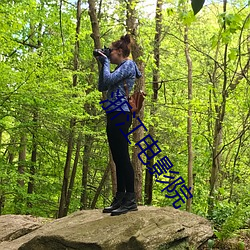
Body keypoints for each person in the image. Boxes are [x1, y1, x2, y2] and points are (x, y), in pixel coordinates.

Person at [96, 34, 142, 216]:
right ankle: (121, 196)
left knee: (122, 156)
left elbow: (107, 81)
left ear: (120, 52)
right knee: (117, 157)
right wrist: (103, 64)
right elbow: (102, 85)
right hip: (113, 113)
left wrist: (105, 62)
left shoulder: (129, 65)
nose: (109, 54)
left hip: (122, 113)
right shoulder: (119, 68)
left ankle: (130, 199)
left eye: (111, 51)